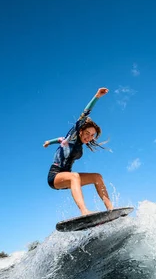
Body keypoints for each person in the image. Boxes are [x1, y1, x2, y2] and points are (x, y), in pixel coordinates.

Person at [43, 87, 114, 216]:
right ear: (80, 130)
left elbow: (60, 139)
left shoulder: (72, 141)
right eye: (87, 133)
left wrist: (49, 141)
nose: (89, 137)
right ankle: (84, 211)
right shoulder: (73, 135)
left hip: (68, 178)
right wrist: (97, 96)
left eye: (92, 135)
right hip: (55, 176)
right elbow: (85, 113)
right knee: (74, 176)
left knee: (97, 177)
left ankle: (111, 210)